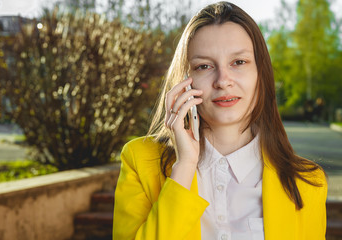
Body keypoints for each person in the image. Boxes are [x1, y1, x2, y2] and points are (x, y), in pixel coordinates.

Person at [113, 2, 327, 240]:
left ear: (261, 74)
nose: (223, 81)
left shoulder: (308, 182)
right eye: (204, 66)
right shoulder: (139, 161)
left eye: (239, 62)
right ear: (185, 81)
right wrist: (184, 168)